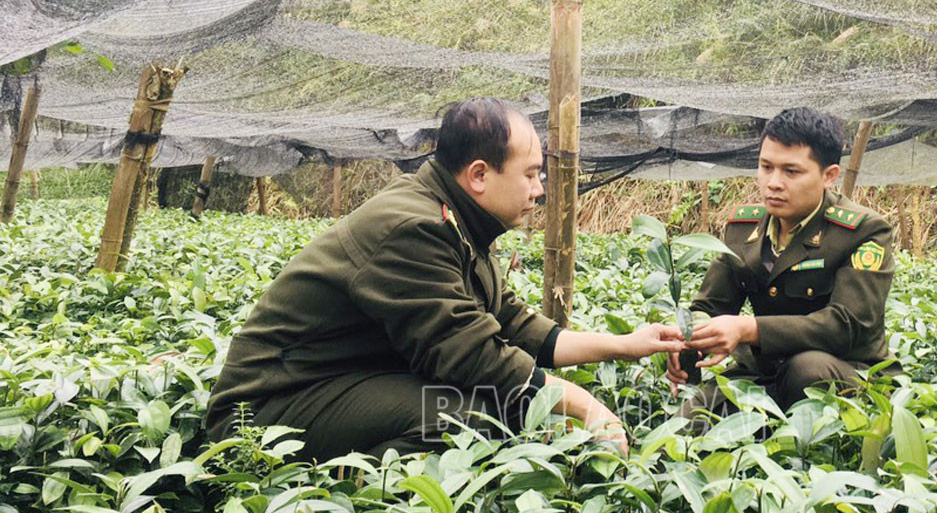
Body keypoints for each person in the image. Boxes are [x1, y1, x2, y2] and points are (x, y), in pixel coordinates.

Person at [205, 98, 682, 461]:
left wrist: (624, 344)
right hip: (265, 411)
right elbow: (474, 356)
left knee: (510, 409)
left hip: (335, 380)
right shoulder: (415, 228)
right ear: (479, 174)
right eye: (531, 175)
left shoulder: (455, 216)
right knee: (470, 418)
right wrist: (586, 407)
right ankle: (333, 489)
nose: (539, 190)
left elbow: (511, 326)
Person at [668, 107, 896, 420]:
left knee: (806, 370)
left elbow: (846, 325)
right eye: (766, 167)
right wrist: (686, 337)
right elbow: (711, 305)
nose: (773, 183)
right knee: (686, 428)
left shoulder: (863, 231)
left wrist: (749, 328)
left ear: (829, 176)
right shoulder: (743, 228)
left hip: (848, 374)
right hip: (766, 373)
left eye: (791, 171)